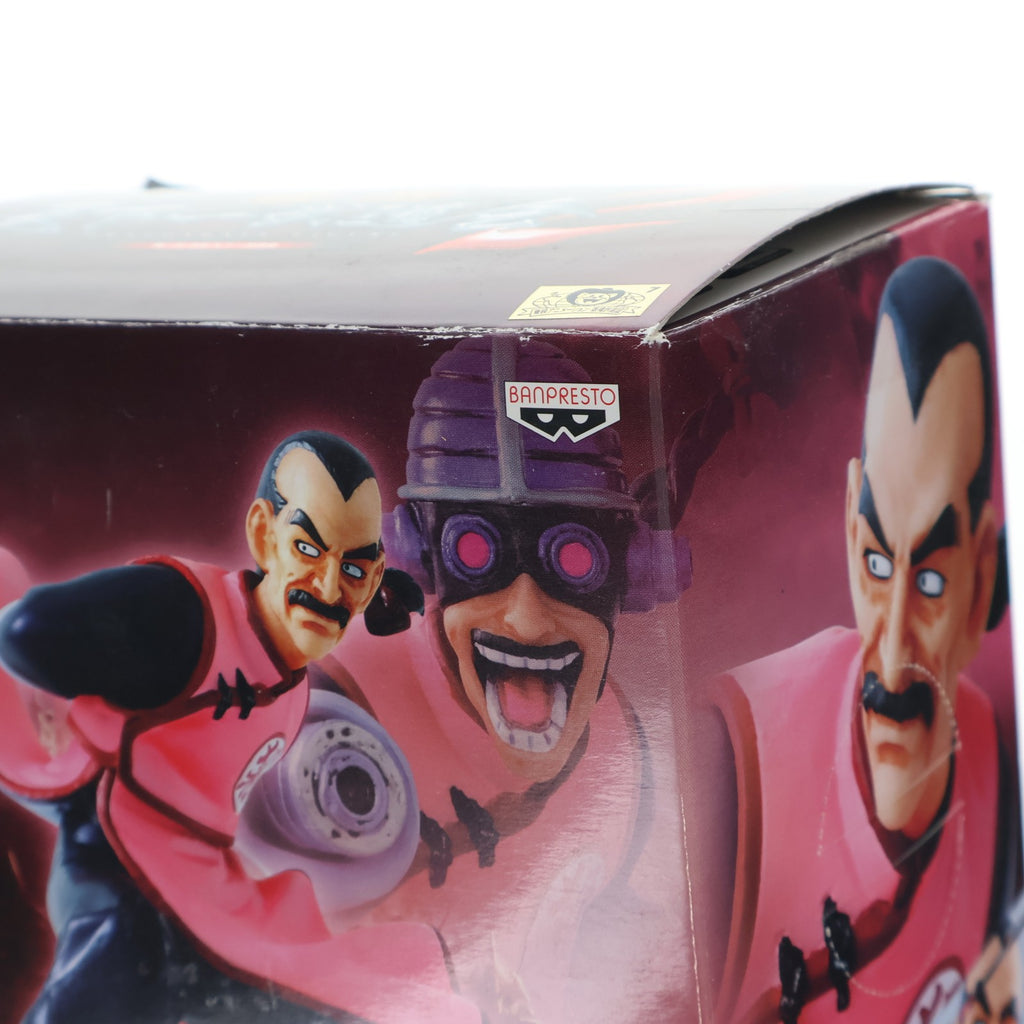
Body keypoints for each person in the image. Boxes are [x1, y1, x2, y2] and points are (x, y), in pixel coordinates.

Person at [0, 430, 480, 1024]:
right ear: (263, 536)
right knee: (119, 973)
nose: (330, 587)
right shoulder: (187, 614)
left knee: (308, 994)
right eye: (307, 549)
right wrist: (77, 714)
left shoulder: (298, 672)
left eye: (355, 568)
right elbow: (27, 632)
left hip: (203, 878)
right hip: (117, 854)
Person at [306, 337, 693, 1022]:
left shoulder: (623, 754)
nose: (526, 617)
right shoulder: (330, 714)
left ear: (634, 572)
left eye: (575, 559)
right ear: (419, 556)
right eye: (475, 550)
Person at [702, 257, 1016, 1023]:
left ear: (984, 578)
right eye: (878, 563)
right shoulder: (731, 754)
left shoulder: (994, 759)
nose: (896, 647)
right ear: (850, 530)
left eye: (933, 579)